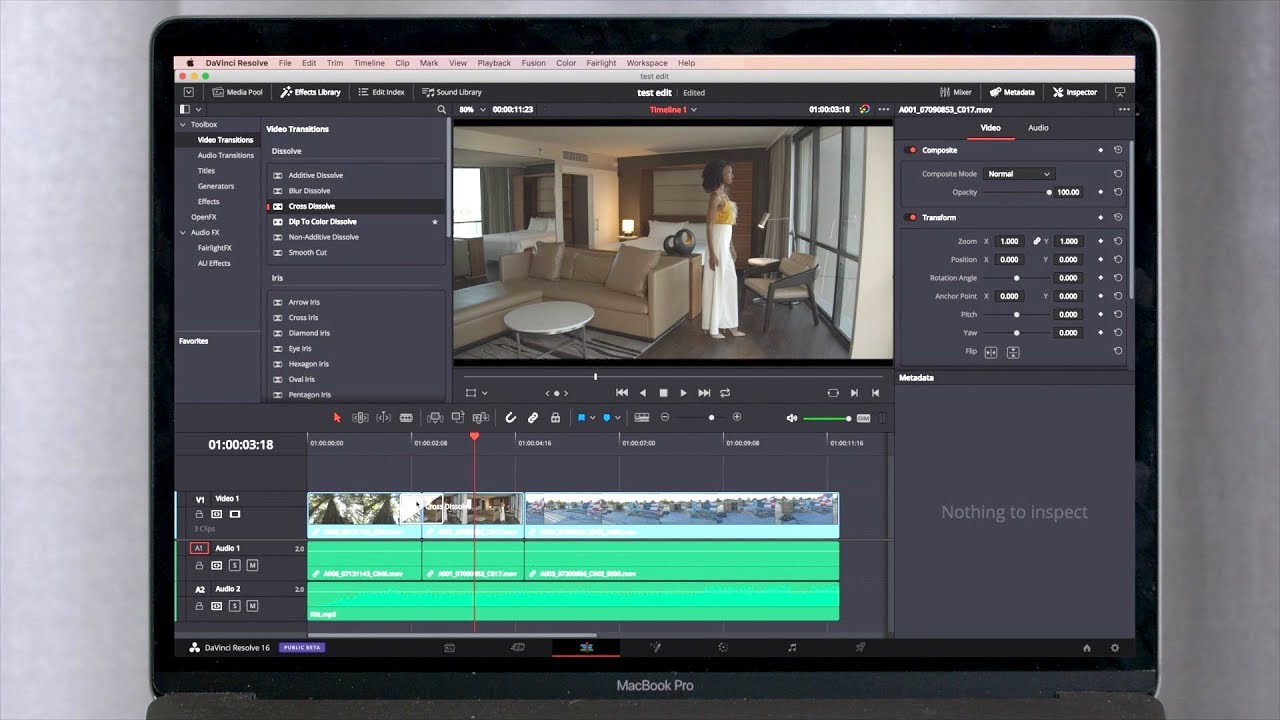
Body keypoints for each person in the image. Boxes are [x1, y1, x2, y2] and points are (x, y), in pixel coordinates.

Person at [702, 160, 745, 339]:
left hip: (724, 244)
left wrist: (731, 247)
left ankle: (730, 325)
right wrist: (712, 254)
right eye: (729, 173)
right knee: (719, 283)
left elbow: (728, 226)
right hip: (717, 245)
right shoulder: (715, 197)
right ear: (720, 175)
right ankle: (715, 327)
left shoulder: (724, 195)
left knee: (729, 282)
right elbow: (709, 226)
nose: (732, 175)